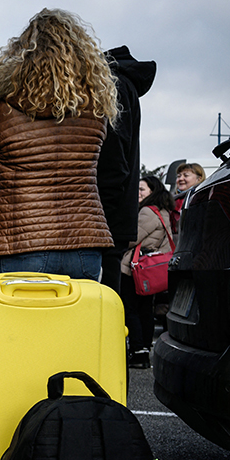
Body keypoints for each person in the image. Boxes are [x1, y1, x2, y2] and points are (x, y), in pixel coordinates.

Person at [0, 8, 117, 281]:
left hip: (18, 242)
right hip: (84, 242)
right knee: (80, 324)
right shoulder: (97, 109)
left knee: (19, 324)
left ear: (22, 53)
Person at [97, 46, 157, 293]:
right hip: (116, 215)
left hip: (106, 218)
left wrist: (99, 213)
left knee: (101, 301)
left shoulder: (115, 86)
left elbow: (113, 155)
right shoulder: (125, 85)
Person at [121, 177, 175, 368]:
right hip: (148, 271)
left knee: (130, 309)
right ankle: (143, 350)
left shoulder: (147, 211)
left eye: (142, 189)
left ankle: (138, 353)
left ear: (153, 191)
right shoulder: (163, 211)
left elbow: (131, 238)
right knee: (145, 310)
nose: (138, 193)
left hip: (134, 269)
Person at [172, 162, 205, 235]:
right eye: (178, 176)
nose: (180, 179)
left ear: (199, 178)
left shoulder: (202, 199)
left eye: (186, 175)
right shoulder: (171, 201)